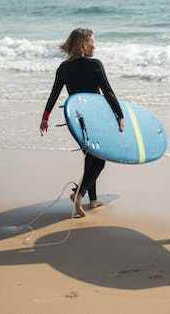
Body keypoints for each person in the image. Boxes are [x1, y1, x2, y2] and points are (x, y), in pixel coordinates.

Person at [40, 28, 124, 218]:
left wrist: (45, 117)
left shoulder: (63, 68)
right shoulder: (95, 64)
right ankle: (79, 195)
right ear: (85, 44)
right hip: (94, 118)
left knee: (91, 156)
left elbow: (54, 94)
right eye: (93, 41)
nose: (95, 44)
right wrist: (119, 115)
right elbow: (108, 92)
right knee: (99, 160)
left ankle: (92, 200)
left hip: (76, 119)